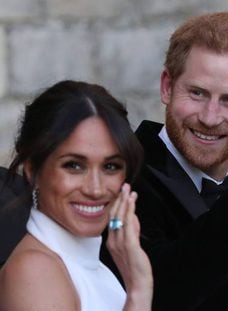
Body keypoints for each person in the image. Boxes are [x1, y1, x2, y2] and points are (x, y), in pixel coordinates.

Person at [100, 12, 228, 311]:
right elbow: (164, 293)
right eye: (197, 93)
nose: (210, 117)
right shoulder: (123, 178)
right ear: (167, 87)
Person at [0, 81, 153, 310]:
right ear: (33, 170)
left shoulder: (87, 264)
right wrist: (139, 293)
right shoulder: (34, 271)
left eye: (110, 167)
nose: (95, 189)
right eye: (74, 166)